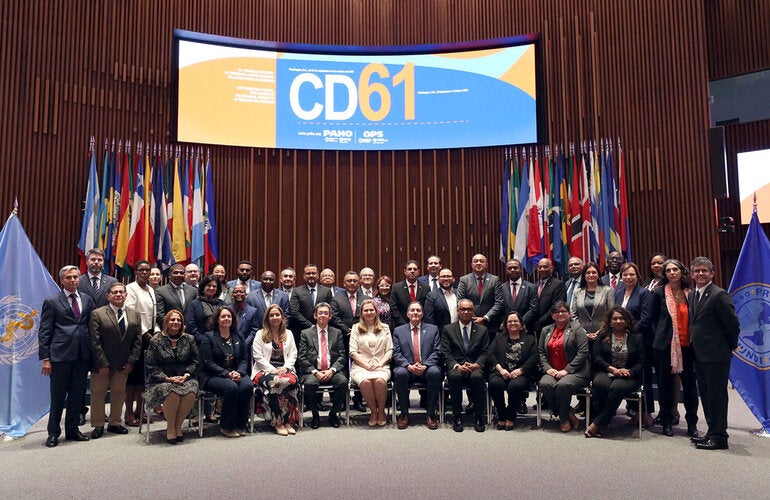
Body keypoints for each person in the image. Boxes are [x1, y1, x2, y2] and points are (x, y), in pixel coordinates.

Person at [38, 265, 95, 447]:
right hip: (60, 356)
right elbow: (45, 331)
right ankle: (53, 433)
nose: (72, 280)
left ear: (79, 279)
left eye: (75, 277)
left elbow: (89, 326)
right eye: (68, 277)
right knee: (58, 396)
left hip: (82, 355)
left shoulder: (86, 299)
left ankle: (72, 430)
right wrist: (46, 358)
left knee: (77, 395)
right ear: (62, 280)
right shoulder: (52, 301)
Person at [688, 257, 740, 450]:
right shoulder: (693, 294)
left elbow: (733, 324)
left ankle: (719, 437)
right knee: (707, 396)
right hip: (700, 355)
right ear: (692, 274)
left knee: (717, 397)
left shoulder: (719, 295)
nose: (701, 274)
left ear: (712, 274)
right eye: (697, 271)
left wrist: (729, 346)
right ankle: (711, 431)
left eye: (705, 271)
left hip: (717, 355)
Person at [651, 258, 698, 438]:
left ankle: (692, 423)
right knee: (665, 386)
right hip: (666, 348)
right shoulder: (658, 293)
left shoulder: (690, 293)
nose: (672, 273)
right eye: (668, 270)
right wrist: (659, 339)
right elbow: (653, 320)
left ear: (681, 272)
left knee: (690, 387)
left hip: (688, 347)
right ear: (665, 274)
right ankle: (667, 422)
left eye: (675, 269)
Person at [88, 282, 142, 439]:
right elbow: (94, 341)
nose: (118, 295)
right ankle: (98, 425)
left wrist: (132, 361)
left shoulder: (134, 314)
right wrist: (102, 363)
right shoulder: (98, 314)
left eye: (121, 292)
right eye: (115, 292)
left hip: (123, 364)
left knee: (119, 394)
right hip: (102, 364)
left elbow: (137, 341)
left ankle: (115, 423)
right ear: (108, 296)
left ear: (126, 295)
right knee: (98, 394)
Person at [585, 306, 644, 438]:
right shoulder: (602, 336)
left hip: (628, 375)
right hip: (606, 371)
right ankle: (601, 423)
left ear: (627, 321)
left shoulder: (637, 338)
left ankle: (597, 424)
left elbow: (641, 362)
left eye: (621, 318)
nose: (618, 321)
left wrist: (629, 371)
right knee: (600, 384)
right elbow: (596, 357)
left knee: (617, 387)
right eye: (615, 318)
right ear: (610, 321)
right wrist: (611, 369)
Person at [144, 310, 199, 444]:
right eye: (172, 320)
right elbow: (151, 366)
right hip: (160, 380)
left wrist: (186, 375)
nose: (175, 322)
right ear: (166, 323)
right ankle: (170, 428)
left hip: (184, 377)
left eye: (178, 320)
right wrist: (168, 379)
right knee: (172, 391)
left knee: (191, 390)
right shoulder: (155, 340)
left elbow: (195, 361)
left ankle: (177, 425)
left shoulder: (189, 339)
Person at [199, 306, 254, 438]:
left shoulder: (238, 335)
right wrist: (227, 374)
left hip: (236, 372)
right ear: (217, 319)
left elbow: (244, 359)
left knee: (247, 386)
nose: (226, 319)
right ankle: (226, 426)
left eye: (229, 316)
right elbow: (208, 362)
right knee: (231, 388)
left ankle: (241, 424)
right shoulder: (208, 337)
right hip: (213, 375)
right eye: (223, 316)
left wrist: (239, 372)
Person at [538, 301, 590, 433]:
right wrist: (547, 368)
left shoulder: (577, 329)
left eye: (563, 311)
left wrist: (566, 370)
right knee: (545, 384)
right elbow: (541, 352)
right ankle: (568, 412)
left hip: (576, 371)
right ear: (552, 315)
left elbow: (582, 353)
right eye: (556, 312)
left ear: (569, 313)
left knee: (563, 386)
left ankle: (564, 419)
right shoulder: (546, 330)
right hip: (552, 370)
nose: (560, 314)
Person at [614, 262, 654, 425]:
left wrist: (629, 333)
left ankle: (647, 412)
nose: (628, 277)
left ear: (637, 276)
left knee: (644, 377)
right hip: (621, 341)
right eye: (625, 275)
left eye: (632, 274)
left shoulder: (644, 293)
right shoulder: (619, 292)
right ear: (621, 277)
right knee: (627, 375)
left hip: (639, 341)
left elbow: (646, 318)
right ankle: (634, 409)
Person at [441, 298, 489, 433]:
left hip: (475, 366)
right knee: (454, 377)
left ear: (473, 311)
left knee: (477, 378)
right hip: (457, 366)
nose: (466, 312)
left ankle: (479, 416)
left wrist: (476, 364)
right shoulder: (448, 329)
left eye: (469, 309)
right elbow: (445, 351)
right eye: (463, 309)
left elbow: (486, 352)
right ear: (458, 311)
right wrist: (456, 366)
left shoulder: (482, 330)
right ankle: (457, 416)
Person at [392, 302, 442, 430]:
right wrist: (408, 366)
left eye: (418, 310)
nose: (415, 312)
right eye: (412, 310)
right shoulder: (398, 331)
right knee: (399, 373)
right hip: (407, 368)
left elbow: (437, 351)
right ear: (408, 314)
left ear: (422, 314)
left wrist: (425, 365)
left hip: (426, 367)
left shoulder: (433, 329)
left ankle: (431, 414)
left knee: (435, 372)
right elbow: (396, 353)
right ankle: (404, 414)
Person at [297, 302, 348, 429]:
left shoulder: (337, 332)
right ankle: (315, 415)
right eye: (320, 313)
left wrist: (332, 370)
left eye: (326, 313)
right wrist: (315, 372)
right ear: (315, 315)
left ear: (330, 316)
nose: (323, 315)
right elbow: (301, 358)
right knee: (309, 384)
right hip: (313, 372)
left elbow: (342, 356)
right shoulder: (306, 333)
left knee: (343, 382)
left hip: (332, 371)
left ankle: (333, 413)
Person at [252, 304, 300, 436]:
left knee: (292, 381)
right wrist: (273, 370)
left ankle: (287, 421)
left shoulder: (288, 333)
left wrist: (286, 367)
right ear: (267, 318)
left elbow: (293, 354)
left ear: (282, 317)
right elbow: (257, 356)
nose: (275, 317)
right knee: (275, 383)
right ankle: (278, 422)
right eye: (271, 315)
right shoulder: (259, 334)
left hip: (285, 369)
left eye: (277, 314)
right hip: (263, 370)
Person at [487, 311, 538, 430]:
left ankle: (510, 415)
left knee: (515, 386)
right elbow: (490, 354)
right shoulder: (499, 337)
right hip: (501, 372)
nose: (512, 323)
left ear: (521, 323)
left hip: (521, 373)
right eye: (509, 321)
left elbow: (534, 357)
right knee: (495, 384)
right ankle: (501, 414)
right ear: (505, 324)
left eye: (516, 321)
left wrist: (521, 370)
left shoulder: (530, 338)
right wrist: (501, 370)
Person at [124, 260, 157, 427]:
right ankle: (129, 413)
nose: (145, 273)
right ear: (135, 271)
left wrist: (156, 331)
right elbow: (131, 312)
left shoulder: (151, 289)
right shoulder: (130, 289)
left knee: (144, 379)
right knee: (132, 379)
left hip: (150, 337)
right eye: (141, 270)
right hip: (136, 338)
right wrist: (145, 333)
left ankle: (141, 410)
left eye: (147, 270)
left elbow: (153, 315)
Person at [349, 299, 393, 427]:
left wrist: (380, 364)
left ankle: (381, 411)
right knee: (366, 382)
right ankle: (374, 411)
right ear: (362, 313)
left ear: (376, 312)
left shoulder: (385, 328)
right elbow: (353, 351)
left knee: (380, 381)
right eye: (366, 310)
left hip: (381, 364)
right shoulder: (356, 328)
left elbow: (389, 350)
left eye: (371, 310)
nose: (369, 312)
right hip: (360, 366)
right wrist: (366, 365)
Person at [456, 253, 504, 333]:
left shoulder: (495, 280)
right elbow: (460, 301)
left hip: (491, 324)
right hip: (470, 323)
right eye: (476, 261)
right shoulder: (464, 280)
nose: (478, 263)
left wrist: (485, 318)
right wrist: (473, 318)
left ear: (486, 265)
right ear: (472, 264)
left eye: (481, 261)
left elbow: (499, 303)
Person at [570, 262, 614, 344]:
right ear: (584, 275)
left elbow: (611, 314)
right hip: (581, 336)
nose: (591, 275)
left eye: (594, 272)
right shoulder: (578, 292)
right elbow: (573, 315)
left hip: (603, 336)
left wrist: (599, 332)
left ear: (598, 275)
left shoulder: (607, 290)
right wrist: (583, 332)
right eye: (588, 273)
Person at [289, 264, 334, 344]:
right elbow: (295, 312)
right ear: (304, 276)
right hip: (302, 331)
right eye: (308, 273)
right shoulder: (297, 291)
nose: (311, 275)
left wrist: (320, 326)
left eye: (313, 273)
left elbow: (331, 310)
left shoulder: (326, 291)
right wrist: (311, 326)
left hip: (323, 330)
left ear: (317, 275)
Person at [184, 274, 225, 343]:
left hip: (221, 342)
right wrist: (203, 339)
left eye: (214, 286)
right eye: (209, 285)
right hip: (200, 343)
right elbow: (190, 325)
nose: (211, 288)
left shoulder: (222, 304)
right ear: (203, 287)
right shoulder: (195, 304)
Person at [501, 259, 538, 332]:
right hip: (506, 329)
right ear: (506, 271)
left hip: (526, 329)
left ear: (521, 269)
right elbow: (499, 308)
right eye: (509, 268)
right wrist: (507, 323)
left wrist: (520, 322)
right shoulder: (501, 288)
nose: (512, 270)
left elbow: (533, 309)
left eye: (515, 268)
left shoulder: (531, 287)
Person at [533, 258, 567, 336]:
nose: (542, 269)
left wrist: (540, 322)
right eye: (540, 267)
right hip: (535, 327)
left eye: (545, 267)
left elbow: (556, 306)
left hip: (551, 326)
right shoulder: (535, 285)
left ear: (551, 268)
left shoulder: (558, 284)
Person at [390, 260, 429, 327]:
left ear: (418, 272)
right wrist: (404, 324)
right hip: (401, 325)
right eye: (409, 269)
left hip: (421, 325)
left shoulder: (426, 288)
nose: (412, 271)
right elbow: (393, 308)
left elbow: (427, 309)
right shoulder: (396, 288)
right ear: (405, 271)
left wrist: (420, 323)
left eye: (415, 269)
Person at [330, 271, 365, 336]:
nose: (352, 283)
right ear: (344, 283)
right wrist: (347, 329)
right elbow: (334, 317)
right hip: (343, 335)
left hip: (362, 335)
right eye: (349, 281)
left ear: (359, 283)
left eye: (355, 281)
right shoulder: (336, 299)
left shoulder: (366, 299)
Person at [424, 268, 458, 332]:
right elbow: (429, 319)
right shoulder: (431, 296)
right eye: (443, 276)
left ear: (453, 279)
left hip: (458, 334)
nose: (446, 279)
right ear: (438, 279)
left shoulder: (459, 294)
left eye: (448, 276)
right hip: (441, 334)